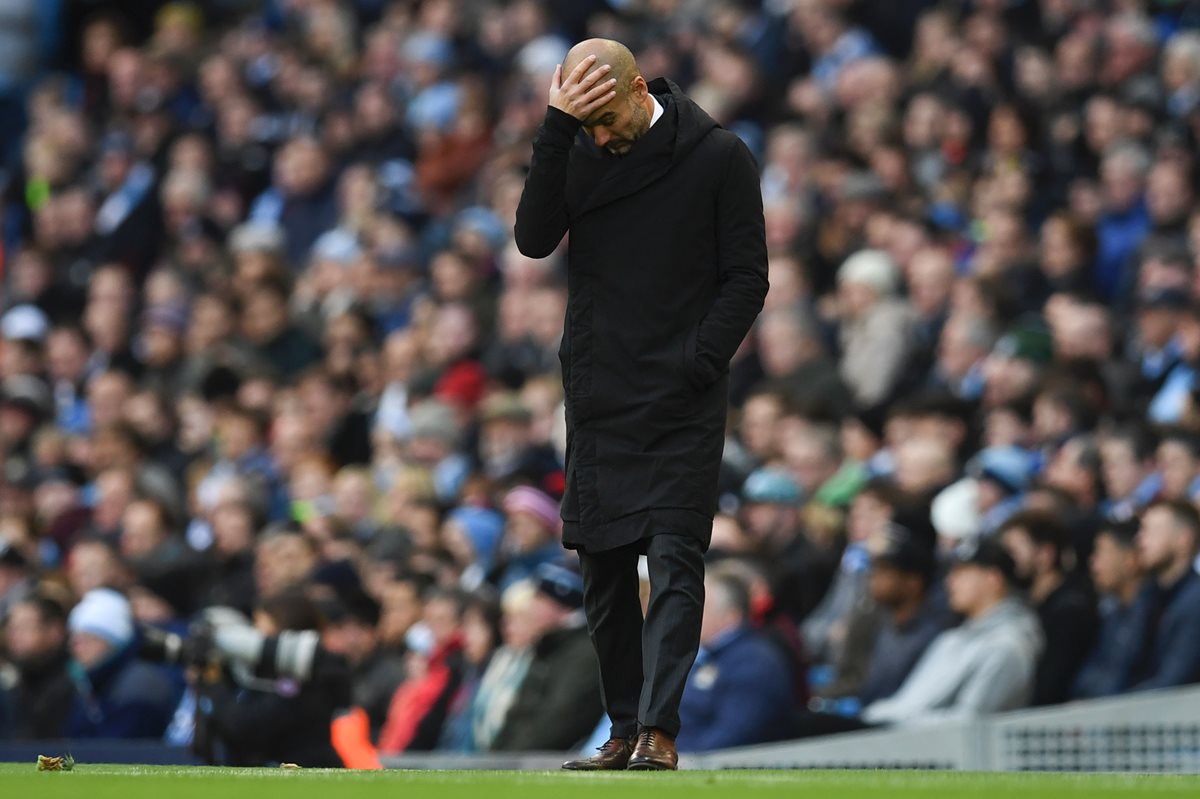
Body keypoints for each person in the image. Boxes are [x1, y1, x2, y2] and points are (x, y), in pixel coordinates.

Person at [515, 38, 767, 771]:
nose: (598, 137)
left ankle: (660, 729)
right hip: (601, 391)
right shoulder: (579, 144)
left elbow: (748, 276)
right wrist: (556, 128)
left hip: (680, 397)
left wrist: (698, 360)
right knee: (601, 571)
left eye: (602, 119)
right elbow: (533, 240)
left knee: (674, 557)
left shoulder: (717, 155)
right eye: (582, 123)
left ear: (634, 90)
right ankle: (624, 727)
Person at [860, 538, 1043, 726]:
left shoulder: (1008, 647)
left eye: (961, 573)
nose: (949, 583)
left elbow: (969, 727)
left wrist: (887, 722)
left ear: (993, 579)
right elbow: (905, 704)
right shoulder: (952, 638)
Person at [675, 568, 795, 752]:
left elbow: (732, 736)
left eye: (700, 606)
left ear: (731, 617)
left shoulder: (754, 663)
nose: (688, 612)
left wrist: (674, 757)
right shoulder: (703, 657)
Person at [492, 564, 603, 752]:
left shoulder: (586, 654)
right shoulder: (548, 645)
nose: (530, 608)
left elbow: (559, 719)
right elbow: (518, 712)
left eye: (539, 599)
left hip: (545, 765)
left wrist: (507, 761)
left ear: (563, 606)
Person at [997, 510, 1098, 705]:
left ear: (1045, 554)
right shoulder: (1026, 607)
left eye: (1012, 552)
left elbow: (1050, 688)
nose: (1005, 563)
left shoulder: (1069, 611)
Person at [64, 588, 179, 739]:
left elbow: (118, 752)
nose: (76, 648)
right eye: (74, 639)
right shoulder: (92, 682)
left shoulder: (139, 687)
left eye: (87, 638)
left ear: (112, 641)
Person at [1127, 501, 1200, 690]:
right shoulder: (1146, 596)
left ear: (1184, 540)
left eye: (1151, 532)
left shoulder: (1195, 602)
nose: (1140, 540)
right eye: (1141, 531)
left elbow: (1173, 681)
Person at [1073, 522, 1150, 699]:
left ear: (1130, 560)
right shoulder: (1112, 614)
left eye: (1100, 552)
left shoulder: (1152, 614)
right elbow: (1089, 673)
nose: (1093, 564)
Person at [2, 593, 75, 739]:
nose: (14, 636)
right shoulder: (18, 681)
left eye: (24, 627)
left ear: (55, 632)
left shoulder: (75, 683)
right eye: (11, 628)